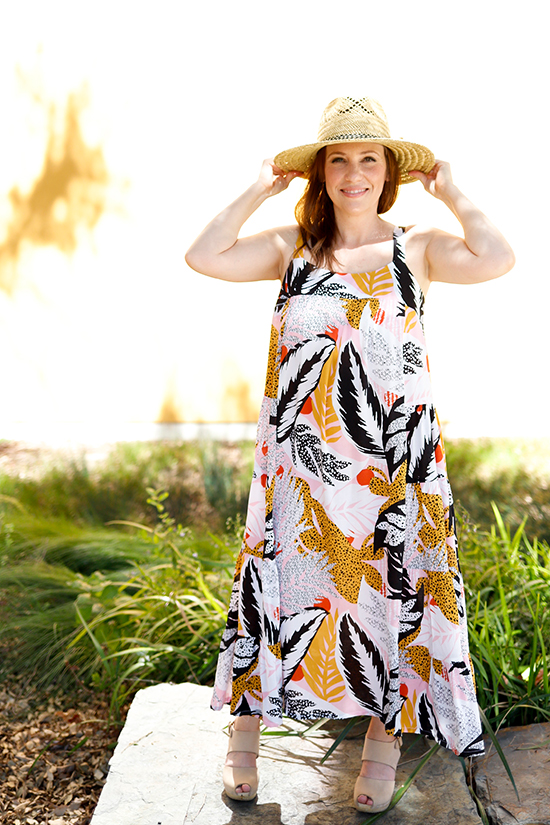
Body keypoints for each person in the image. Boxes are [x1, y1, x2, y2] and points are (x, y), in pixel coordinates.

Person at [185, 96, 515, 813]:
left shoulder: (417, 246)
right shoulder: (290, 250)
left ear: (388, 171)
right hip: (301, 471)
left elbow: (498, 256)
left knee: (388, 599)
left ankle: (381, 747)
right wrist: (260, 186)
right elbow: (203, 254)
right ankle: (244, 741)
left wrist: (452, 188)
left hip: (395, 471)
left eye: (369, 158)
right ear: (322, 173)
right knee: (279, 593)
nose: (355, 173)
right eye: (339, 159)